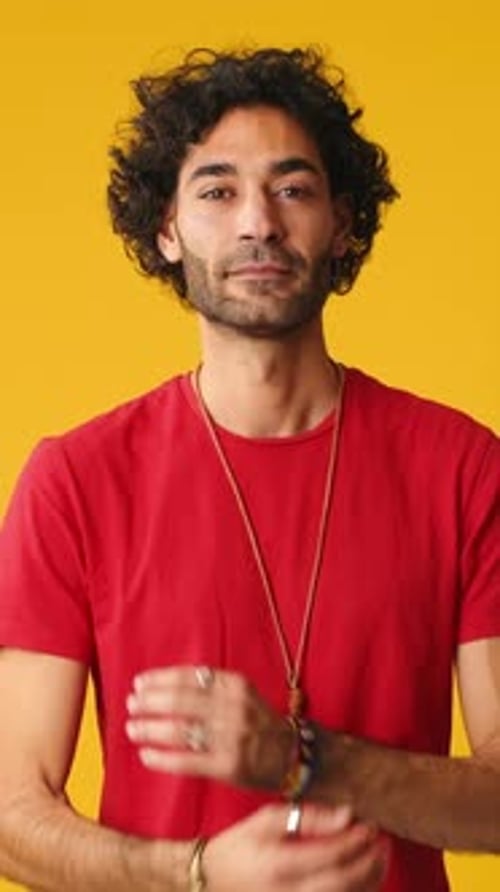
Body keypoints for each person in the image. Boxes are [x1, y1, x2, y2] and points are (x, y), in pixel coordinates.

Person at [0, 46, 498, 892]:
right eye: (218, 191)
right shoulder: (73, 481)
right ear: (166, 230)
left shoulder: (464, 467)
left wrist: (303, 759)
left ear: (342, 223)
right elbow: (11, 814)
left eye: (293, 189)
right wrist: (196, 870)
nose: (258, 223)